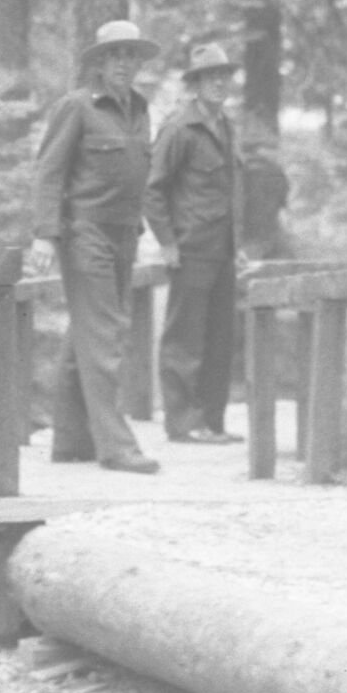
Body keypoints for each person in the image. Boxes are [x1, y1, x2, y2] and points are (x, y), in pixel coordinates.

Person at [21, 20, 163, 473]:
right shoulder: (77, 107)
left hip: (125, 235)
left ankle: (70, 440)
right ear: (99, 63)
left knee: (87, 334)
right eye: (115, 55)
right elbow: (49, 172)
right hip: (85, 234)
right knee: (105, 336)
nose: (124, 64)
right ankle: (116, 447)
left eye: (131, 55)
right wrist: (44, 233)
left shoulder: (139, 109)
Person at [145, 43, 244, 444]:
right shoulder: (179, 128)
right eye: (210, 77)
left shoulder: (224, 125)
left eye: (224, 76)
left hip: (223, 250)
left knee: (219, 338)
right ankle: (183, 423)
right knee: (184, 338)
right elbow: (152, 191)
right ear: (196, 84)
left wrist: (239, 244)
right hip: (190, 248)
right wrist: (168, 242)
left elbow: (231, 189)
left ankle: (212, 422)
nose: (219, 83)